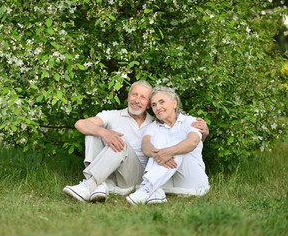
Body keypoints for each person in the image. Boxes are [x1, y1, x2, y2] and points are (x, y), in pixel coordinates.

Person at [63, 80, 209, 203]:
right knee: (92, 132)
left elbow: (186, 140)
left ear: (147, 105)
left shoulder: (156, 122)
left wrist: (203, 133)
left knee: (122, 143)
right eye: (134, 95)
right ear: (128, 97)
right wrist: (104, 132)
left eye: (143, 98)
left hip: (136, 174)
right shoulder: (112, 115)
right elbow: (80, 124)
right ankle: (96, 183)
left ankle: (90, 185)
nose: (137, 100)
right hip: (111, 170)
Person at [126, 86, 210, 205]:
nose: (158, 107)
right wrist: (159, 154)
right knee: (159, 138)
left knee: (179, 144)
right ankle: (156, 191)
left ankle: (147, 187)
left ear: (174, 103)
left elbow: (192, 142)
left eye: (161, 102)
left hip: (193, 182)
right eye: (154, 105)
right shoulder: (153, 126)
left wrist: (169, 152)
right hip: (167, 181)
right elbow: (145, 146)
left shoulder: (190, 121)